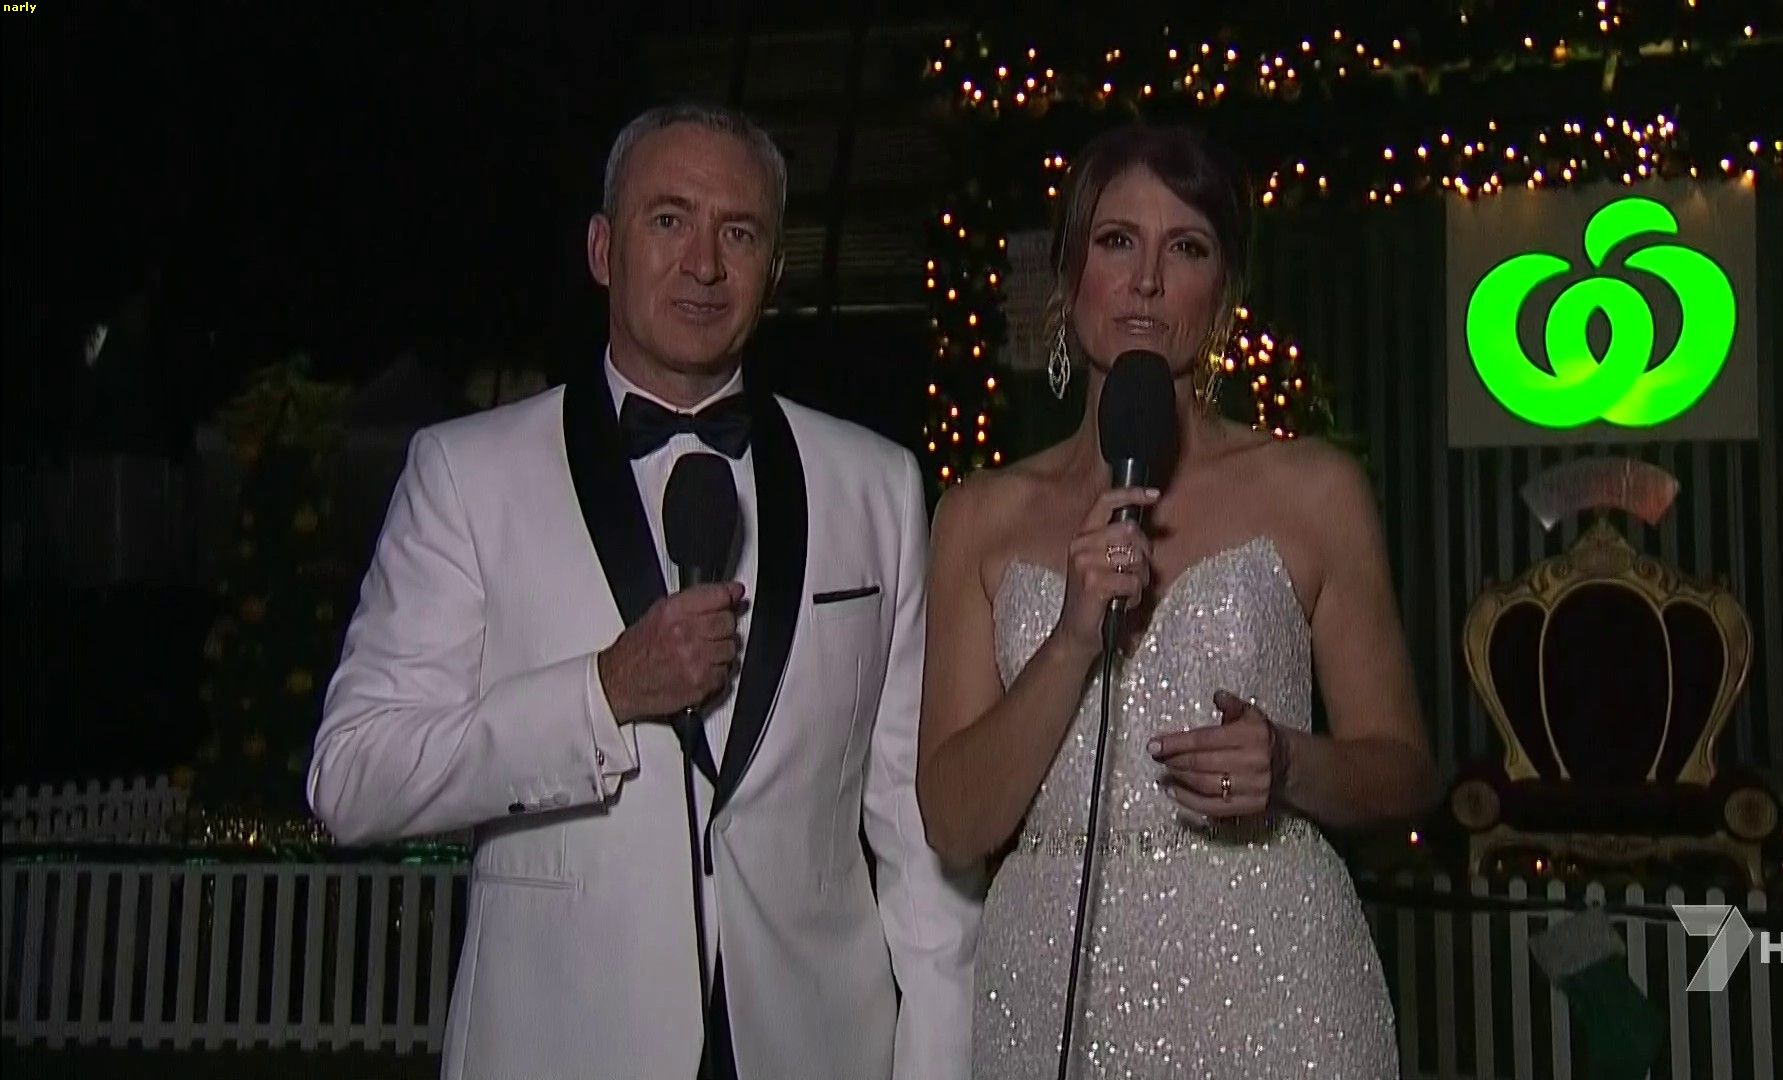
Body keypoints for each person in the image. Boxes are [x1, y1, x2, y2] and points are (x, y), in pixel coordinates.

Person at [308, 103, 981, 1080]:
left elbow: (917, 832)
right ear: (601, 249)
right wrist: (603, 695)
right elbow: (352, 779)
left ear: (776, 270)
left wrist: (937, 1060)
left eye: (738, 232)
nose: (703, 264)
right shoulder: (466, 474)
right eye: (669, 220)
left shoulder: (876, 483)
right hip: (558, 1046)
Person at [917, 123, 1441, 1078]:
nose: (1148, 281)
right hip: (1053, 984)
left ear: (1224, 292)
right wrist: (1071, 638)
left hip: (1279, 979)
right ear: (1069, 274)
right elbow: (954, 824)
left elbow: (1405, 772)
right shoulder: (979, 516)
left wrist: (1290, 764)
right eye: (1118, 241)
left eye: (1187, 247)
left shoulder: (1313, 489)